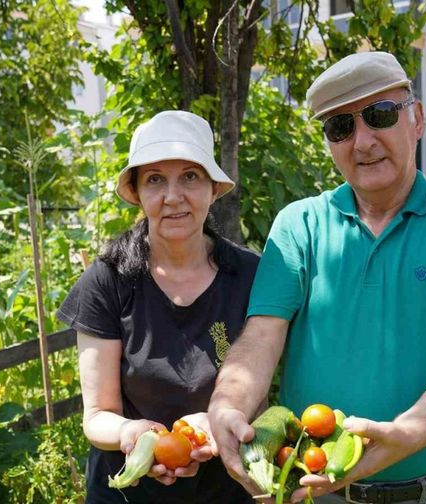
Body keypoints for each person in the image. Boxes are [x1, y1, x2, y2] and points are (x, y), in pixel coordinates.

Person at [208, 52, 426, 504]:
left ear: (418, 120)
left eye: (380, 115)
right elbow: (262, 335)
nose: (363, 141)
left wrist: (408, 432)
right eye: (341, 127)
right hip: (312, 490)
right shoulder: (299, 225)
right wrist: (226, 404)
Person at [57, 110, 259, 504]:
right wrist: (131, 434)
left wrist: (217, 421)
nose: (173, 196)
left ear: (213, 188)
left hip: (225, 490)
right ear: (136, 192)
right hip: (127, 491)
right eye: (155, 180)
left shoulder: (250, 276)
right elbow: (98, 413)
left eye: (190, 176)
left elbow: (261, 396)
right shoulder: (108, 280)